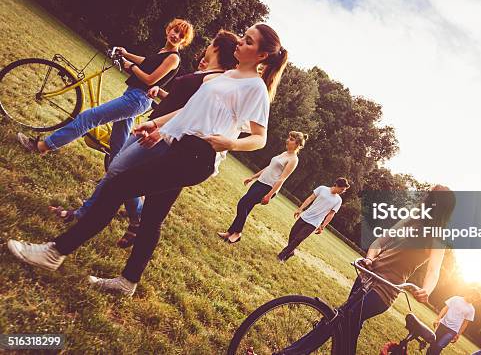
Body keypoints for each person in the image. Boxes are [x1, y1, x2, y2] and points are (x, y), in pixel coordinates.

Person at [8, 23, 288, 298]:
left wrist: (231, 143)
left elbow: (259, 138)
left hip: (197, 157)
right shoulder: (226, 75)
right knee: (153, 217)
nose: (241, 42)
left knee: (117, 186)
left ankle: (54, 252)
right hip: (179, 147)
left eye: (249, 41)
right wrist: (156, 125)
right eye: (244, 37)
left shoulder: (255, 89)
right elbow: (188, 111)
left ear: (262, 56)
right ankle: (128, 282)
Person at [49, 30, 239, 249]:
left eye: (212, 42)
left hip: (161, 136)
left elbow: (191, 113)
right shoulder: (208, 73)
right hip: (154, 126)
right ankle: (126, 220)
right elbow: (184, 104)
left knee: (117, 172)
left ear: (216, 47)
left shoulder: (214, 80)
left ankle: (83, 219)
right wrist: (160, 94)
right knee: (119, 173)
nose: (208, 45)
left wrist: (161, 130)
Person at [278, 185, 456, 354]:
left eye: (430, 195)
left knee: (338, 319)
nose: (425, 197)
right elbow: (380, 242)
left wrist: (426, 291)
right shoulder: (412, 219)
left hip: (385, 290)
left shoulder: (437, 236)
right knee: (346, 326)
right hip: (367, 275)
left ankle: (287, 353)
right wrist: (370, 259)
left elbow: (434, 270)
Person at [17, 18, 193, 159]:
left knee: (89, 117)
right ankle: (116, 178)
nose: (176, 35)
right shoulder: (163, 51)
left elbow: (150, 79)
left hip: (137, 99)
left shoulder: (173, 58)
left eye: (181, 35)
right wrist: (125, 54)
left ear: (184, 41)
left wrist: (130, 67)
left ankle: (42, 146)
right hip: (134, 95)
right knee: (117, 146)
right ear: (168, 29)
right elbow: (146, 62)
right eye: (175, 30)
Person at [217, 131, 308, 244]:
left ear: (298, 144)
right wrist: (253, 177)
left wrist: (269, 195)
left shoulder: (294, 160)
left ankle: (238, 233)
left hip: (268, 187)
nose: (288, 140)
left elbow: (282, 179)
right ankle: (230, 232)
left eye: (292, 139)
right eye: (289, 137)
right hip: (260, 182)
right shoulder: (284, 153)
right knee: (247, 206)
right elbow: (269, 168)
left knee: (243, 203)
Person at [277, 177, 349, 262]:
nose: (343, 191)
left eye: (344, 190)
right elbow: (310, 198)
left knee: (298, 239)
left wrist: (322, 226)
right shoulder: (322, 188)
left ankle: (282, 256)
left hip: (315, 223)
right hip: (305, 216)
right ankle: (291, 252)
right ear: (336, 185)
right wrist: (300, 209)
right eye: (342, 189)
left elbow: (331, 214)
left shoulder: (338, 200)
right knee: (293, 234)